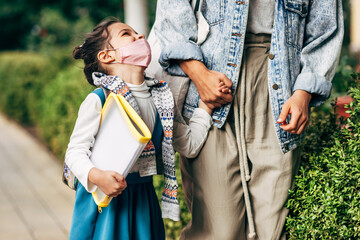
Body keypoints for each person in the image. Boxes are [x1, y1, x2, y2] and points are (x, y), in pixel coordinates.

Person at [153, 0, 344, 239]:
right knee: (217, 228)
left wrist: (304, 92)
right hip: (210, 81)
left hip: (281, 86)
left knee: (272, 225)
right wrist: (198, 74)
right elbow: (172, 6)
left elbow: (325, 25)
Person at [64, 18, 225, 240]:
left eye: (138, 32)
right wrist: (97, 176)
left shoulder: (162, 100)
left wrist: (205, 108)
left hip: (142, 196)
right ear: (107, 56)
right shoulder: (100, 100)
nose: (139, 36)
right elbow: (74, 152)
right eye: (126, 34)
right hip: (104, 199)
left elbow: (188, 145)